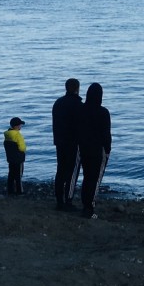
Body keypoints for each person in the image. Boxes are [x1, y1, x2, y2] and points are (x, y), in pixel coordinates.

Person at [78, 82, 111, 219]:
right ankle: (89, 208)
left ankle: (85, 204)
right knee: (95, 178)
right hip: (98, 149)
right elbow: (106, 133)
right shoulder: (103, 112)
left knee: (87, 176)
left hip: (83, 147)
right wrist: (108, 149)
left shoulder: (81, 109)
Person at [53, 78, 82, 210]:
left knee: (61, 170)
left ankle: (59, 201)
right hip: (73, 143)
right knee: (72, 172)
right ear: (77, 88)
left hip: (59, 141)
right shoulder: (78, 105)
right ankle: (68, 201)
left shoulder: (58, 103)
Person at [3, 117, 27, 195]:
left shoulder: (7, 135)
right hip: (18, 159)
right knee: (18, 176)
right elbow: (22, 147)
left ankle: (10, 190)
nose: (21, 127)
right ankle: (20, 191)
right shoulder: (18, 135)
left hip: (10, 158)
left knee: (11, 174)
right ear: (16, 126)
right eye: (20, 125)